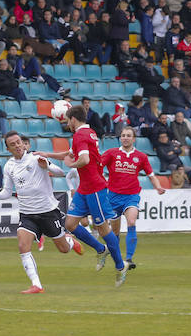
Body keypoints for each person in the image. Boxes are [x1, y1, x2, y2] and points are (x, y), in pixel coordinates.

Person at [0, 131, 83, 293]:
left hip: (48, 212)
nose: (17, 146)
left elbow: (60, 172)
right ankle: (37, 285)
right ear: (8, 149)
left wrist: (48, 166)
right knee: (23, 245)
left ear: (23, 144)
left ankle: (70, 241)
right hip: (27, 214)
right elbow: (7, 192)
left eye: (18, 142)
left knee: (63, 249)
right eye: (13, 144)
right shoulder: (9, 166)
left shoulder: (36, 158)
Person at [39, 105, 128, 286]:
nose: (67, 124)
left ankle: (120, 266)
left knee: (102, 228)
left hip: (95, 188)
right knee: (70, 224)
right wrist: (46, 154)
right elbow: (69, 153)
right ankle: (101, 249)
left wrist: (71, 165)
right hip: (85, 188)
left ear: (73, 119)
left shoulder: (80, 135)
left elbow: (84, 159)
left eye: (67, 121)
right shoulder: (87, 133)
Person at [101, 127, 165, 270]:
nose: (125, 138)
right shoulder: (111, 153)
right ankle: (115, 256)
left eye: (128, 135)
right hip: (113, 197)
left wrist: (158, 187)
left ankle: (129, 258)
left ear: (134, 139)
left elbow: (151, 175)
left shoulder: (141, 157)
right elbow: (98, 167)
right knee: (115, 232)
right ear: (120, 138)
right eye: (123, 135)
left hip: (131, 196)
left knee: (131, 221)